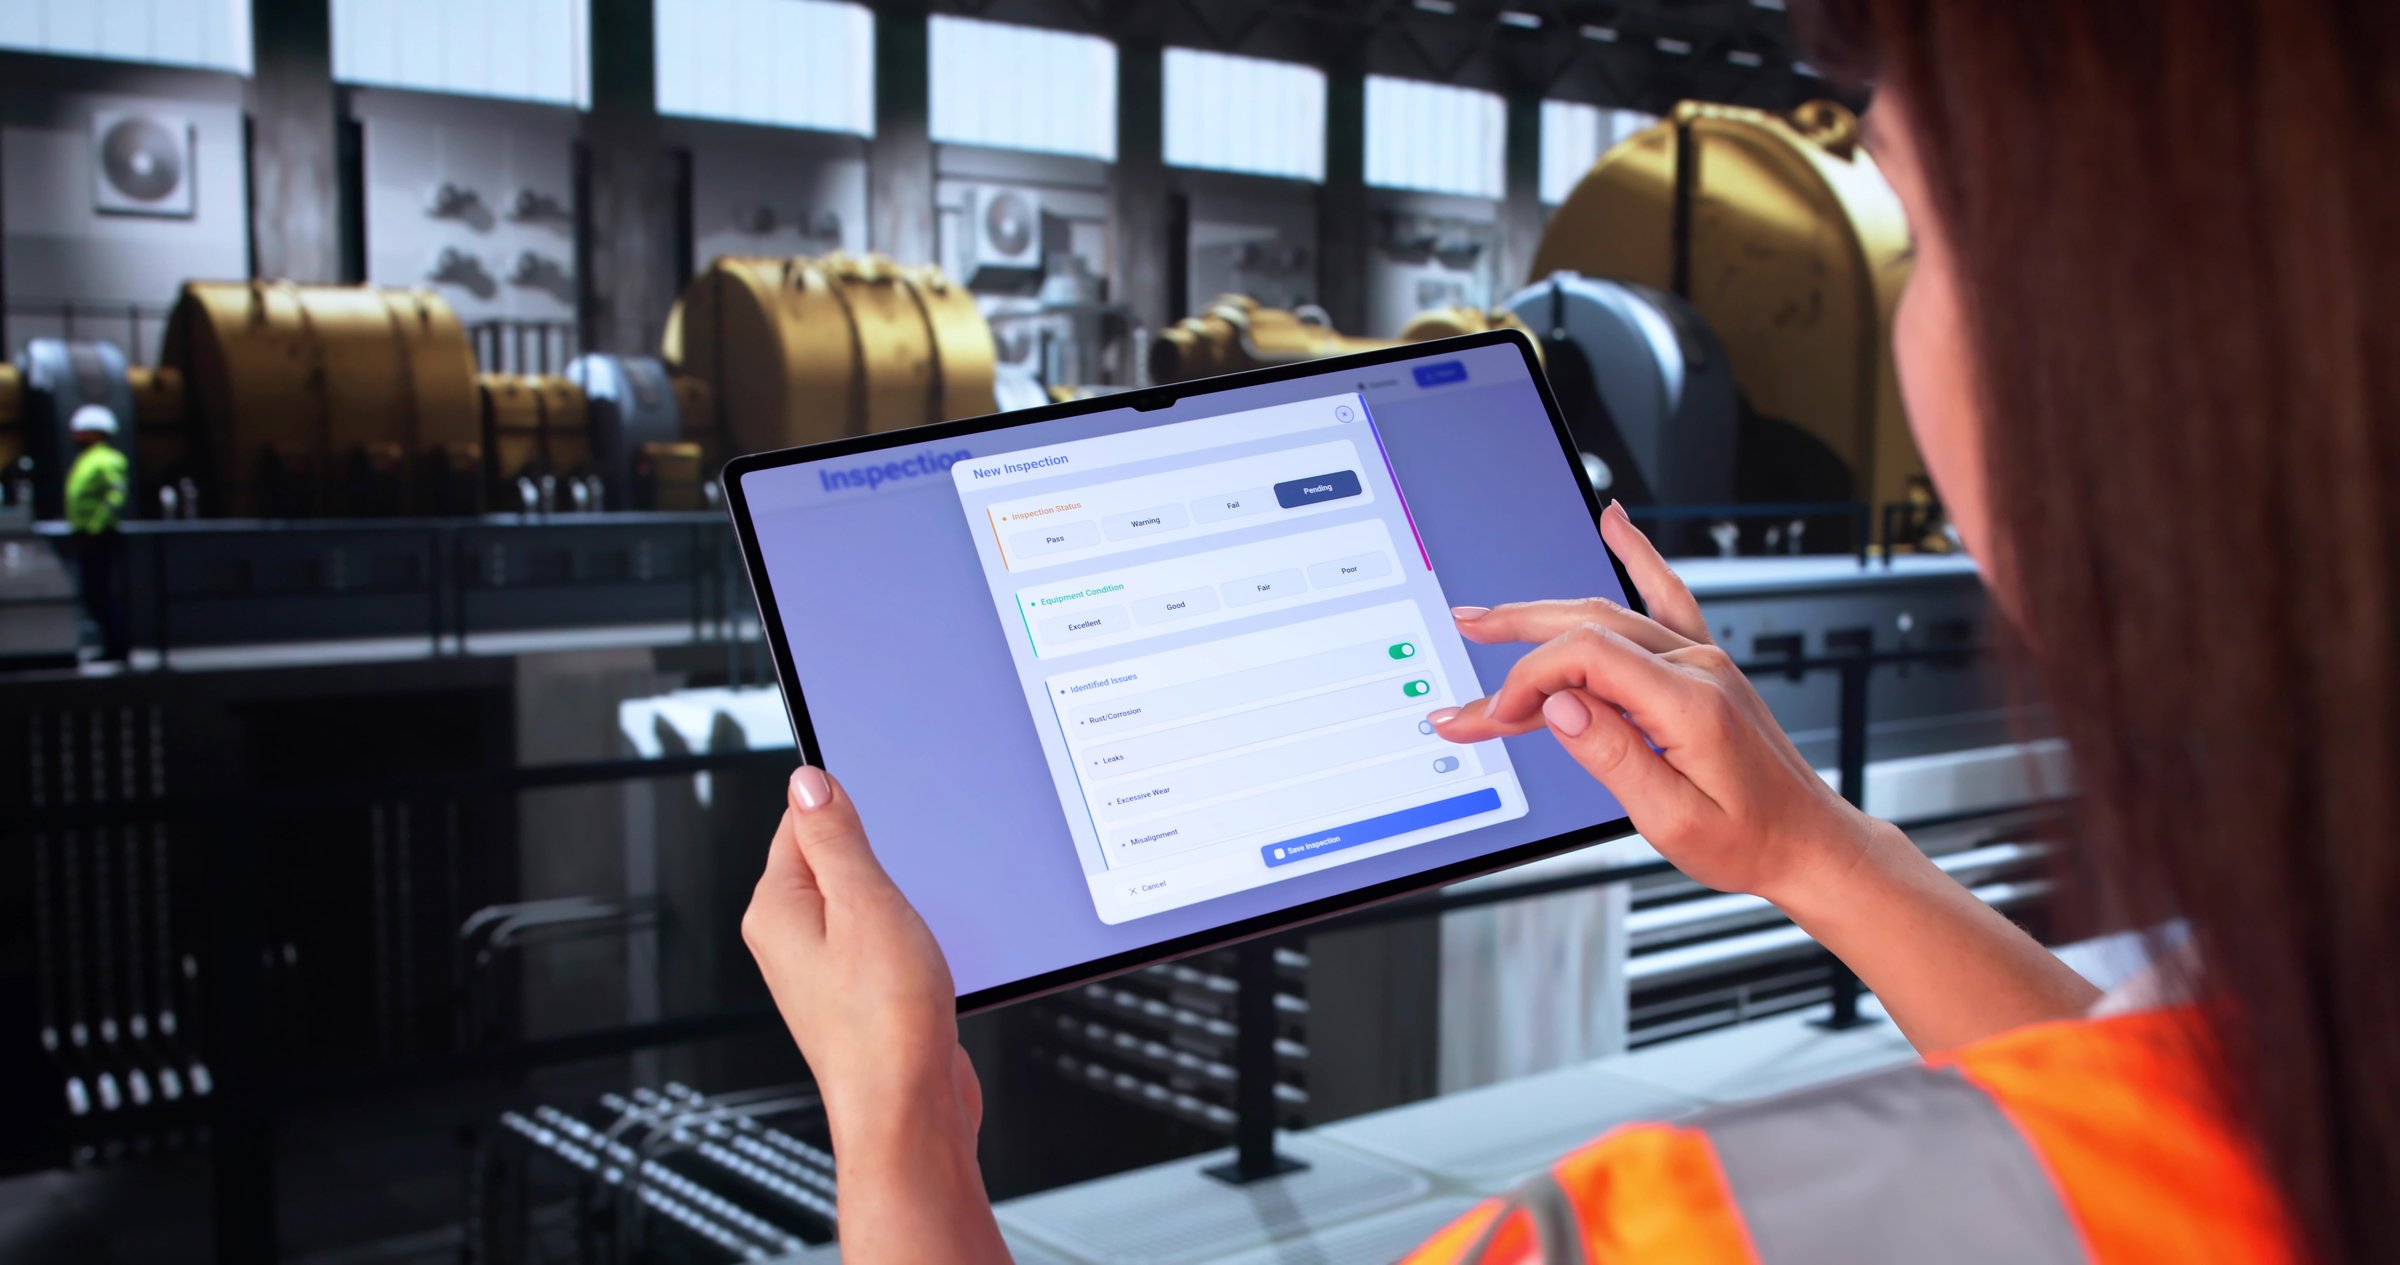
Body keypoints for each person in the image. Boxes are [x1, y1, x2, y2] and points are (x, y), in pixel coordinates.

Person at [738, 1, 2395, 1259]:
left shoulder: (1688, 1223)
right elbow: (2146, 1133)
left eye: (1928, 230)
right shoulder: (2316, 1079)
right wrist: (1818, 851)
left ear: (2129, 334)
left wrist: (902, 1137)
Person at [65, 403, 131, 662]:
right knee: (93, 593)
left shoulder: (107, 460)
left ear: (96, 433)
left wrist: (95, 528)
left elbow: (115, 497)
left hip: (98, 537)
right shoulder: (86, 461)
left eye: (81, 432)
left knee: (100, 593)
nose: (75, 437)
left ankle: (117, 647)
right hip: (85, 536)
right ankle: (112, 646)